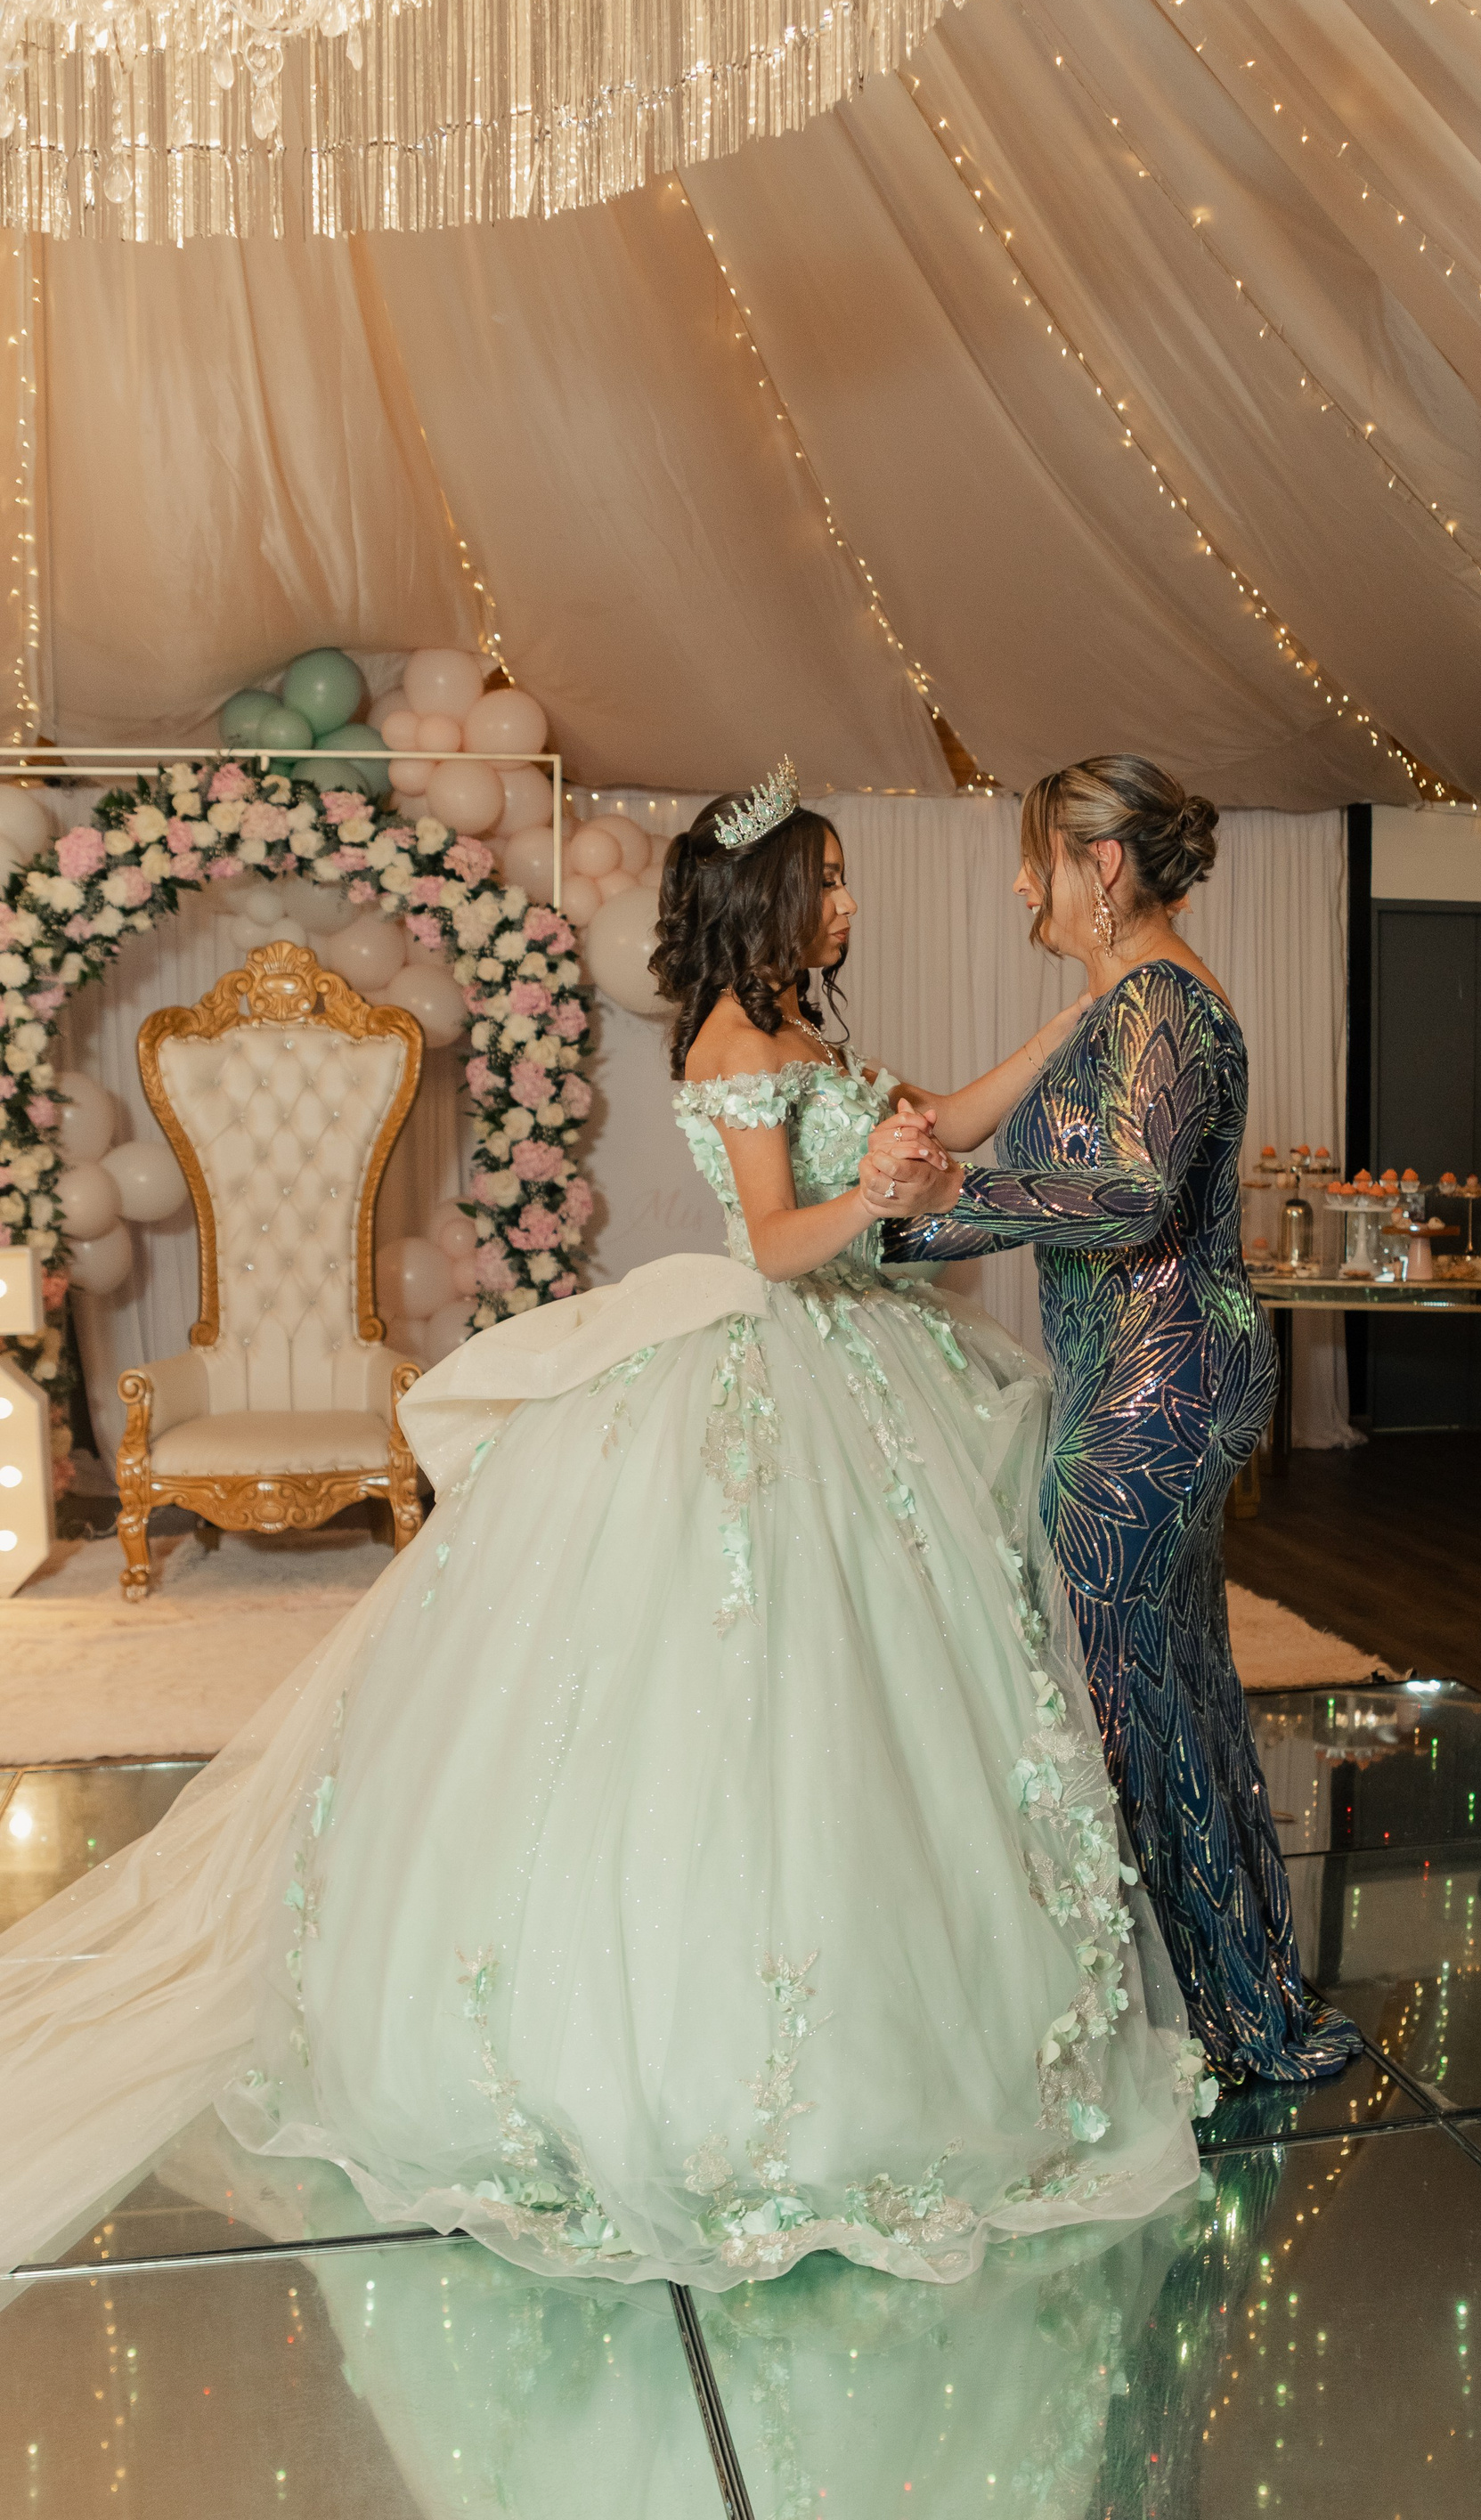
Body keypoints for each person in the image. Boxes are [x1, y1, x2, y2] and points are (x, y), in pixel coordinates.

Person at [0, 762, 1215, 2291]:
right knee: (737, 1691)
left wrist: (1066, 1029)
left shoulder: (807, 1031)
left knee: (881, 1688)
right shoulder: (730, 1043)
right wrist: (879, 1197)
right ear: (771, 898)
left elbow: (940, 1119)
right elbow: (775, 1242)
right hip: (777, 1349)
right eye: (830, 880)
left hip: (865, 1365)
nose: (848, 904)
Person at [868, 756, 1360, 2085]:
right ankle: (1243, 2002)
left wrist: (941, 1211)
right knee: (1173, 1686)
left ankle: (1225, 2018)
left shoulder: (1159, 1000)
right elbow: (1084, 1178)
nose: (1020, 885)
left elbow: (1133, 1193)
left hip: (1161, 1379)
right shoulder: (1136, 1000)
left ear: (1102, 864)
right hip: (1157, 1368)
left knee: (1131, 1698)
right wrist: (911, 1208)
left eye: (1037, 858)